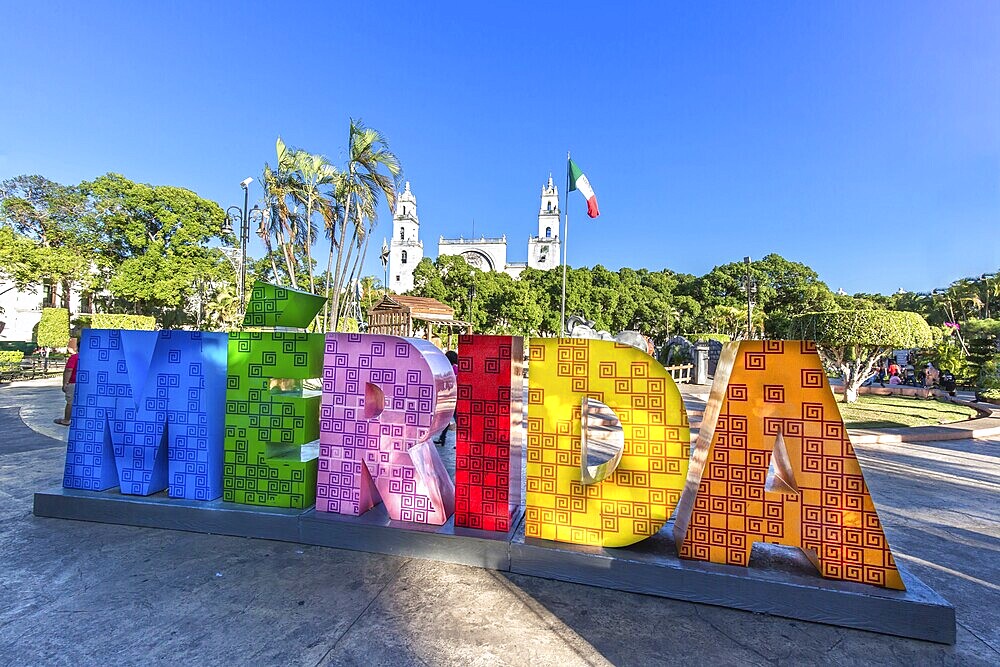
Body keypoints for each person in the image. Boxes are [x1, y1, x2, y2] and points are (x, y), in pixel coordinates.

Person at [434, 350, 460, 445]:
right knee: (448, 418)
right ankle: (442, 437)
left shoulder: (450, 368)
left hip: (451, 397)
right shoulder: (456, 368)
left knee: (451, 418)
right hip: (454, 396)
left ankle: (458, 441)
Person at [54, 337, 79, 426]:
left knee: (70, 402)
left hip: (73, 382)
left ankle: (66, 420)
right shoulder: (92, 358)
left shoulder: (75, 357)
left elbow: (69, 370)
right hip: (87, 384)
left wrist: (65, 383)